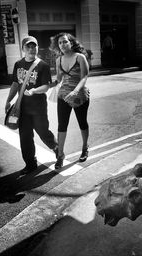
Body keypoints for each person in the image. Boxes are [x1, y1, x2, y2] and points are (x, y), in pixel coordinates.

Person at [5, 36, 58, 174]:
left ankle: (57, 148)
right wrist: (8, 100)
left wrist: (34, 90)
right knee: (25, 137)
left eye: (34, 46)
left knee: (43, 132)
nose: (31, 49)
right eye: (28, 46)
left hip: (38, 108)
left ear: (37, 47)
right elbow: (15, 84)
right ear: (23, 49)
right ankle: (30, 164)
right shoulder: (18, 64)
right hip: (22, 108)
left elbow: (46, 86)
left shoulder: (43, 65)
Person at [49, 32, 90, 169]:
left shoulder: (80, 57)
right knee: (62, 125)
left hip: (79, 95)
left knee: (82, 123)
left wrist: (75, 91)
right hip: (63, 96)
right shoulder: (58, 60)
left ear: (71, 43)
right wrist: (49, 84)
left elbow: (84, 77)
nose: (62, 44)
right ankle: (60, 155)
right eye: (60, 43)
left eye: (65, 42)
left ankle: (85, 147)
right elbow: (59, 79)